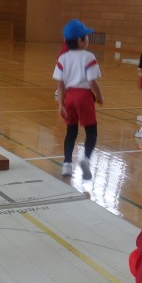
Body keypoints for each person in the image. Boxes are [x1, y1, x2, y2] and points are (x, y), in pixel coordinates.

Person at [53, 19, 103, 180]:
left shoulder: (62, 58)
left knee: (71, 131)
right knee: (91, 131)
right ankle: (86, 159)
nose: (87, 39)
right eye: (86, 37)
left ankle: (67, 165)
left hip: (69, 97)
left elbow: (60, 84)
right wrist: (99, 96)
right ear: (81, 41)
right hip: (84, 96)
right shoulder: (89, 57)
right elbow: (92, 82)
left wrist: (61, 104)